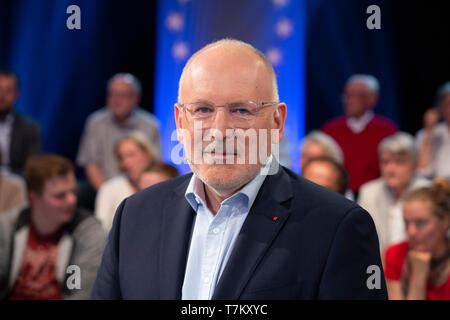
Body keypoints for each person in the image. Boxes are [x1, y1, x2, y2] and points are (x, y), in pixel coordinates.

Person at [92, 39, 387, 300]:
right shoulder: (134, 215)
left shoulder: (337, 227)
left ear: (277, 122)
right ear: (180, 123)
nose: (220, 131)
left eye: (242, 110)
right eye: (203, 110)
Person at [0, 154, 106, 299]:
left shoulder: (86, 234)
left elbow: (79, 292)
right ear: (33, 197)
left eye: (73, 192)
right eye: (60, 195)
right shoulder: (8, 227)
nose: (72, 200)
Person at [76, 73, 162, 192]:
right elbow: (91, 165)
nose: (116, 100)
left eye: (122, 95)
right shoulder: (95, 123)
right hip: (104, 187)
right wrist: (109, 193)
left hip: (141, 189)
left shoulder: (151, 125)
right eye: (112, 94)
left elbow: (155, 166)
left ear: (136, 98)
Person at [321, 74, 397, 193]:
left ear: (373, 99)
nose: (350, 100)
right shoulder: (330, 129)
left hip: (376, 194)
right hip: (338, 193)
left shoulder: (386, 130)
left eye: (358, 96)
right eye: (347, 95)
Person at [358, 133, 430, 256]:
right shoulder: (368, 192)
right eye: (385, 162)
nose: (390, 169)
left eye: (399, 162)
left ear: (414, 165)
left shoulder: (428, 192)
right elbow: (361, 238)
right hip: (376, 268)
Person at [384, 178, 450, 300]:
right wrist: (418, 278)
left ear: (445, 221)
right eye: (406, 223)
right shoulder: (395, 254)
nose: (411, 232)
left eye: (420, 223)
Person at [95, 133, 155, 232]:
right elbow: (102, 229)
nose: (125, 162)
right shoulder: (109, 189)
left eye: (131, 155)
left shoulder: (162, 182)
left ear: (147, 155)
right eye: (121, 158)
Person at [0, 70, 41, 175]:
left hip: (16, 183)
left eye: (8, 91)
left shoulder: (30, 127)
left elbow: (31, 166)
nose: (2, 96)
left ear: (16, 94)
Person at [416, 81, 450, 180]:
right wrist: (429, 132)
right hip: (437, 190)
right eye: (448, 104)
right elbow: (423, 171)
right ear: (440, 108)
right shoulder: (427, 134)